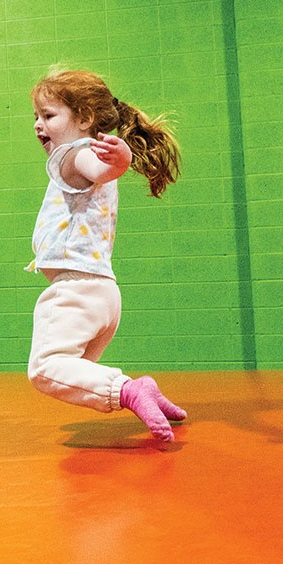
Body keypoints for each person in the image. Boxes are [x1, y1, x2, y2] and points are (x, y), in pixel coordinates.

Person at [25, 69, 187, 441]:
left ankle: (131, 390)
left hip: (76, 290)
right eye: (35, 116)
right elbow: (102, 171)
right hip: (103, 294)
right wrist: (116, 163)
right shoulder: (83, 153)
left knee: (46, 367)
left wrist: (119, 161)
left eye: (48, 115)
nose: (38, 125)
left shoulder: (74, 154)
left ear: (84, 118)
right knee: (75, 373)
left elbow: (99, 170)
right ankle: (143, 393)